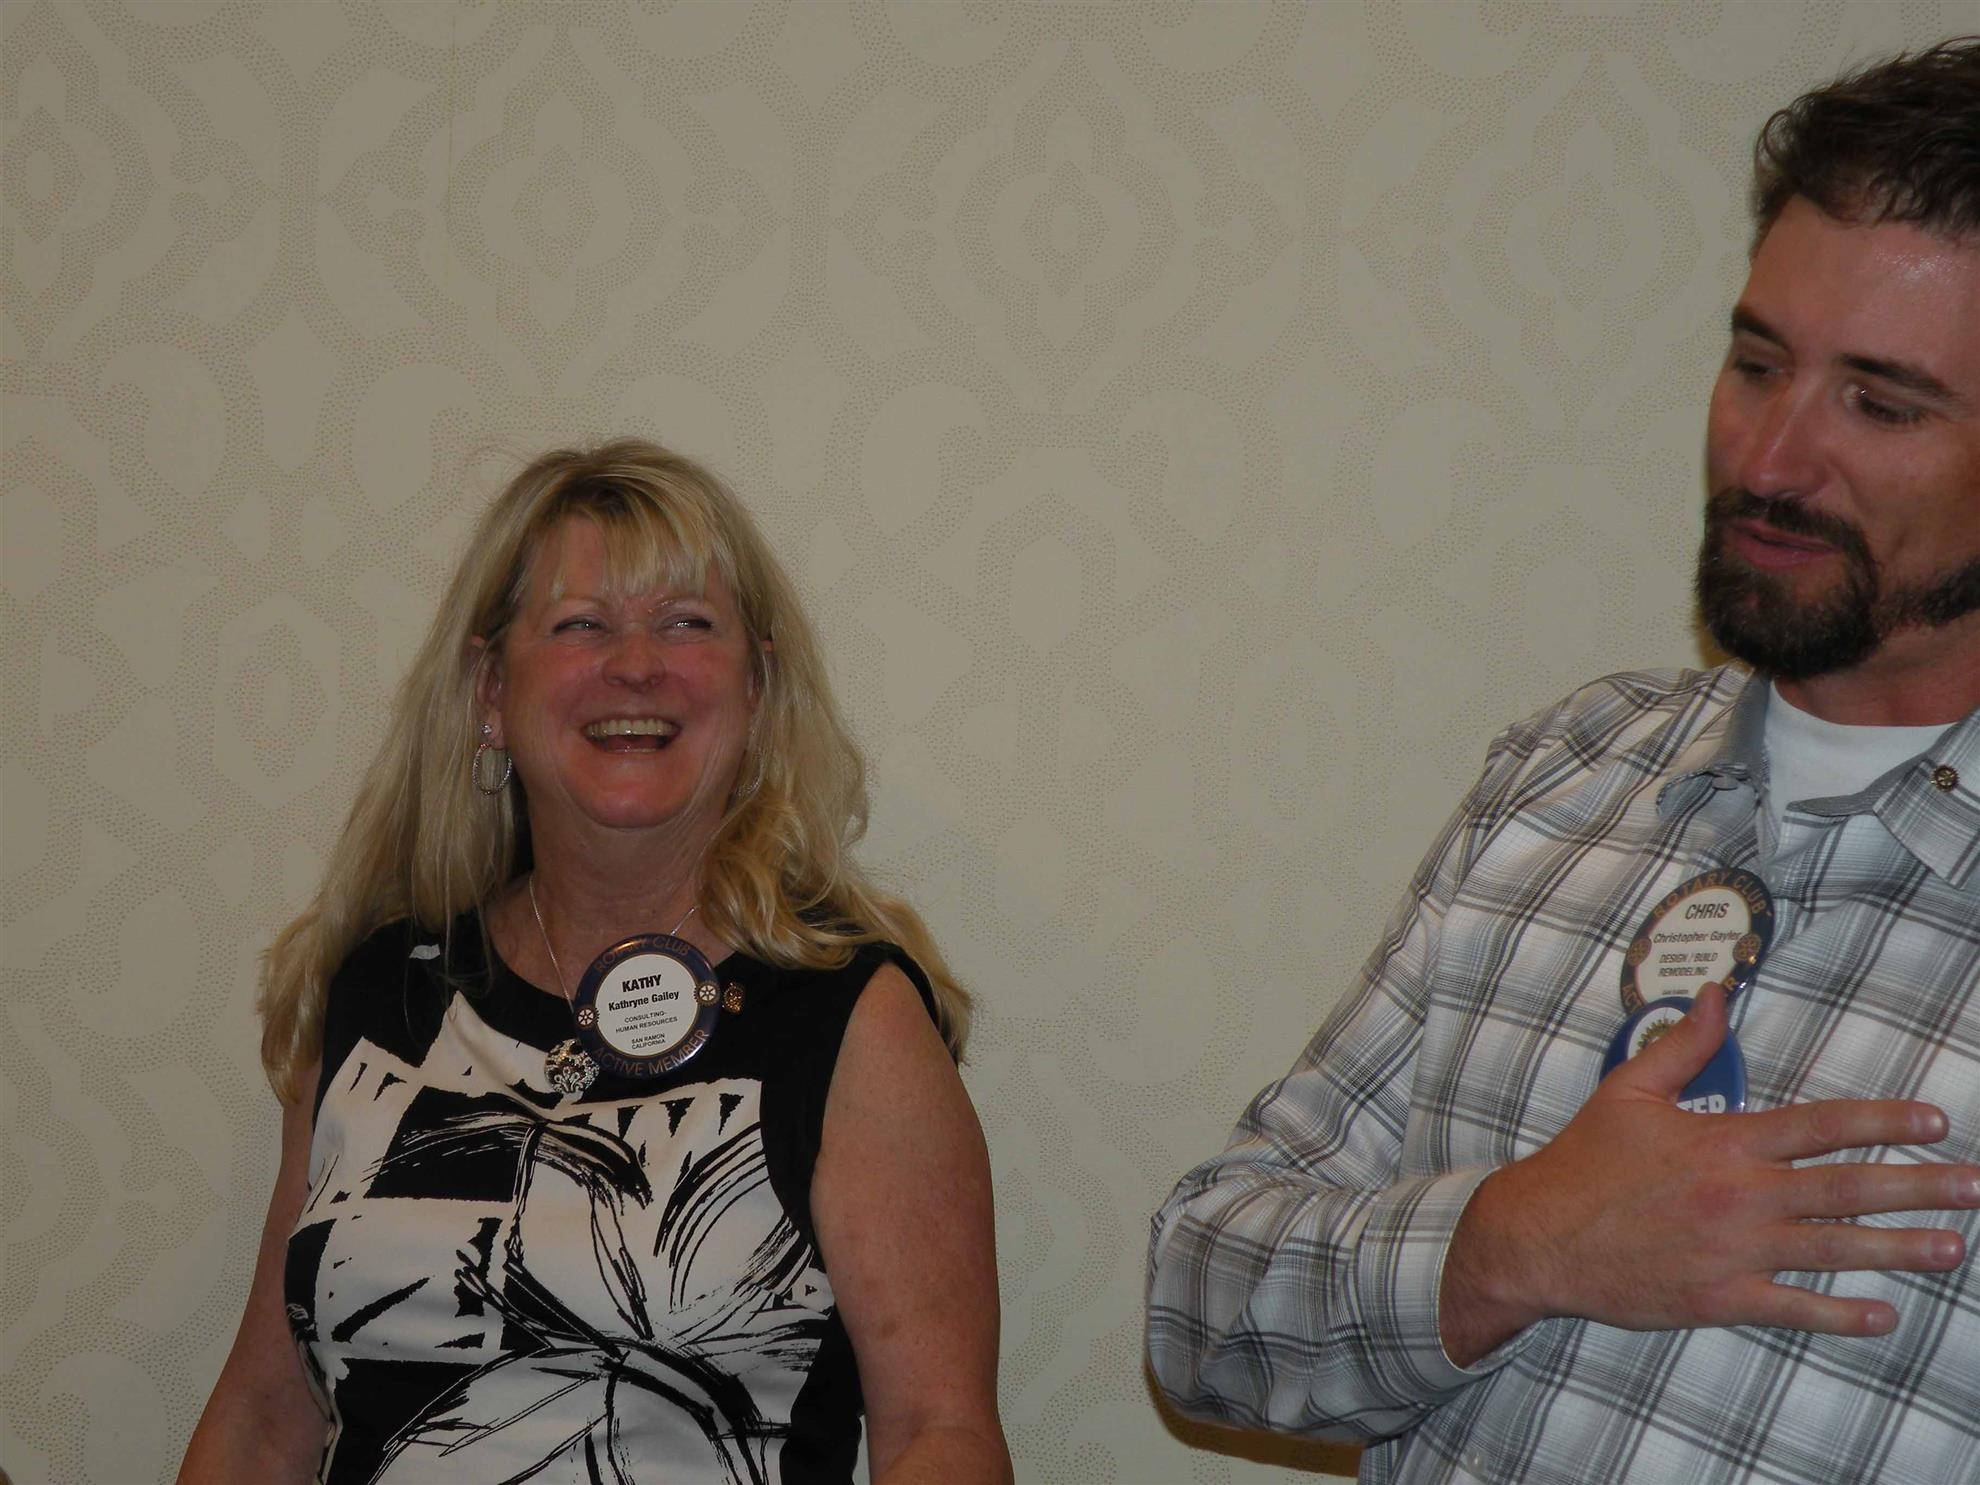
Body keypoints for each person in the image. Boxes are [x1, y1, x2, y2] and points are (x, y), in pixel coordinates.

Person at [1147, 38, 1980, 1485]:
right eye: (1757, 364)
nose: (1771, 460)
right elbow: (1202, 1308)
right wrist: (1511, 1240)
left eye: (1882, 404)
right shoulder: (1566, 773)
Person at [180, 439, 1010, 1483]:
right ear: (492, 690)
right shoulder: (382, 995)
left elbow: (941, 1434)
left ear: (756, 689)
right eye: (582, 624)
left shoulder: (848, 1020)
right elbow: (264, 1421)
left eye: (686, 623)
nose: (636, 665)